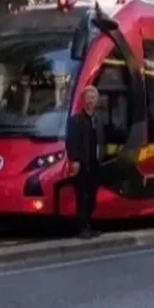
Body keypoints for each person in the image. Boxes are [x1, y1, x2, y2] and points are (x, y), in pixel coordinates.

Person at [66, 85, 105, 238]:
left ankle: (89, 225)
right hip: (82, 164)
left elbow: (101, 139)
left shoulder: (98, 119)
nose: (90, 101)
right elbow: (72, 142)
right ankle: (83, 228)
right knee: (82, 197)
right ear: (83, 100)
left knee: (92, 197)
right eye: (88, 98)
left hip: (95, 163)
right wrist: (74, 160)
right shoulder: (77, 119)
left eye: (93, 98)